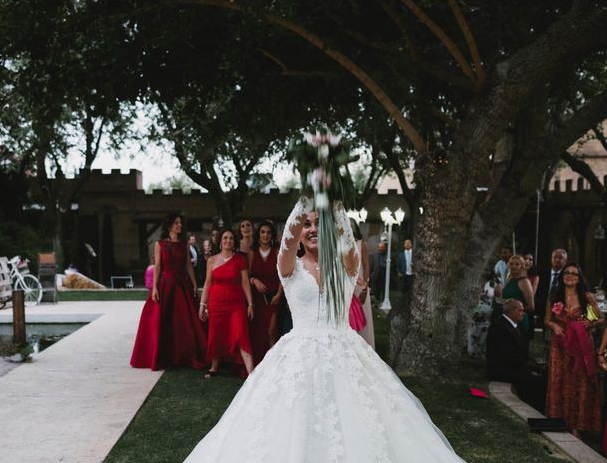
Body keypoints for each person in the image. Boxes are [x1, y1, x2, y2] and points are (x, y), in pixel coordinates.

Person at [184, 197, 466, 462]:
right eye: (307, 224)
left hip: (346, 353)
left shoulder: (345, 265)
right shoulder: (289, 267)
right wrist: (307, 196)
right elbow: (287, 241)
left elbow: (346, 241)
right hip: (297, 356)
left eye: (319, 224)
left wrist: (335, 206)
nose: (313, 229)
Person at [130, 213, 206, 370]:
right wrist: (155, 287)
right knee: (162, 322)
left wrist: (194, 284)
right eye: (177, 223)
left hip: (182, 285)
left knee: (184, 322)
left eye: (180, 223)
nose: (180, 225)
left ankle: (184, 355)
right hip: (166, 285)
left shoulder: (184, 243)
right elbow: (158, 266)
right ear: (170, 225)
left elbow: (188, 265)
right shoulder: (160, 244)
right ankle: (164, 356)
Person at [544, 263, 603, 437]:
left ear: (579, 279)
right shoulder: (554, 296)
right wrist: (553, 325)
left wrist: (591, 323)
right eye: (566, 273)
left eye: (574, 274)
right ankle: (558, 420)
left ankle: (577, 425)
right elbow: (546, 320)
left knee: (580, 382)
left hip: (581, 345)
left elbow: (601, 319)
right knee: (559, 379)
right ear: (562, 276)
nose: (569, 276)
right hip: (560, 344)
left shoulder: (587, 297)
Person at [198, 229, 255, 378]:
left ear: (234, 241)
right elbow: (208, 283)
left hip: (236, 303)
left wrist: (250, 304)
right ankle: (214, 366)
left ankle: (251, 372)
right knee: (216, 333)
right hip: (216, 303)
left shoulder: (240, 260)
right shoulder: (211, 260)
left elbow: (245, 282)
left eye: (230, 238)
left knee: (241, 332)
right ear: (220, 241)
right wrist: (202, 305)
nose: (228, 240)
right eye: (225, 238)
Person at [486, 299, 546, 413]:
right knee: (538, 381)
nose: (523, 313)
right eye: (521, 310)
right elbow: (507, 355)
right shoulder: (499, 327)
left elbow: (519, 353)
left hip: (514, 366)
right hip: (502, 370)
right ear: (512, 311)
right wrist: (529, 368)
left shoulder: (514, 326)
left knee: (542, 377)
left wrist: (533, 365)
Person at [248, 220, 283, 364]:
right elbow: (246, 276)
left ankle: (273, 364)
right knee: (258, 331)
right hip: (257, 298)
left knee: (272, 330)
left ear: (272, 235)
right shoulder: (251, 254)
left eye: (268, 232)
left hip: (274, 297)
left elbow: (284, 276)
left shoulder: (277, 252)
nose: (265, 235)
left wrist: (279, 295)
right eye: (262, 232)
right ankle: (259, 364)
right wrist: (254, 281)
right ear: (258, 235)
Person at [495, 255, 534, 343]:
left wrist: (514, 310)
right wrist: (498, 296)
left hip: (518, 321)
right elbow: (505, 300)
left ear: (522, 266)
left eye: (517, 264)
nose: (513, 266)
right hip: (505, 320)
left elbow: (531, 307)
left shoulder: (525, 282)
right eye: (511, 264)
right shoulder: (509, 278)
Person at [349, 218, 374, 348]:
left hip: (360, 284)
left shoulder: (361, 244)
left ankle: (364, 346)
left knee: (361, 313)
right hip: (347, 285)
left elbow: (366, 265)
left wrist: (366, 284)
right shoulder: (341, 243)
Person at [534, 248, 567, 328]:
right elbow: (537, 294)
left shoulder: (568, 276)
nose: (557, 260)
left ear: (565, 261)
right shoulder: (542, 274)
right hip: (543, 311)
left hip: (563, 314)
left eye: (560, 258)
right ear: (551, 259)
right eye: (555, 257)